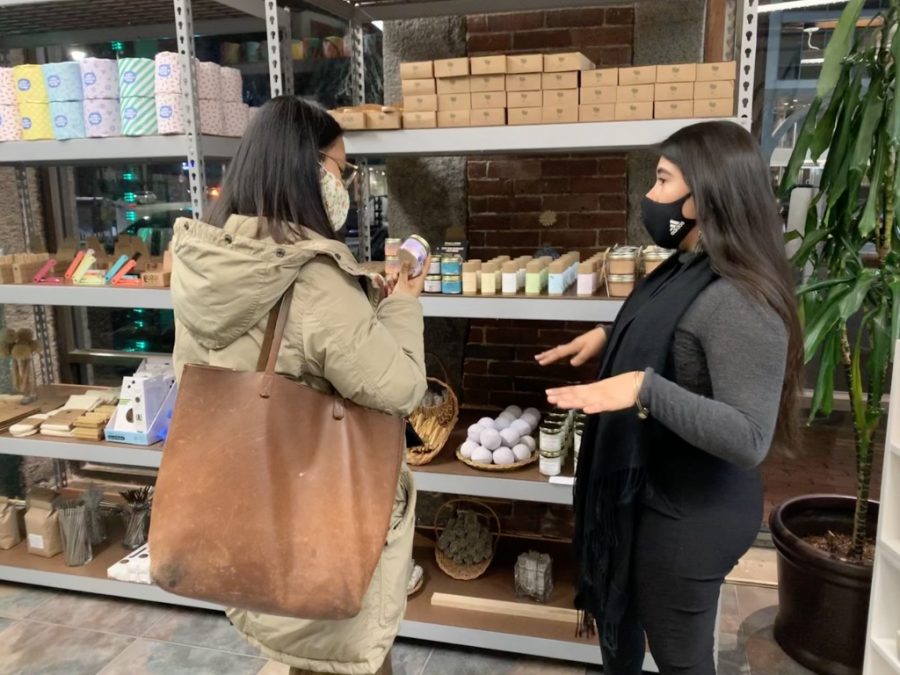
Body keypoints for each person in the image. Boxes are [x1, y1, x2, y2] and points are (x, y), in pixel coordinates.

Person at [169, 96, 428, 675]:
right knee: (343, 654)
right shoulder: (310, 278)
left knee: (298, 650)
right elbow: (401, 387)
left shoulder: (204, 261)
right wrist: (403, 307)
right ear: (309, 170)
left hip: (248, 506)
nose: (347, 184)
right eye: (342, 169)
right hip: (318, 514)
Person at [536, 120, 802, 675]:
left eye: (661, 181)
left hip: (693, 512)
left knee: (680, 660)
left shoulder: (739, 299)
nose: (650, 197)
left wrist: (642, 387)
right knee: (621, 622)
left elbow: (749, 437)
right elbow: (673, 328)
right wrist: (609, 338)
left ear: (703, 198)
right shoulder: (684, 267)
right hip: (648, 491)